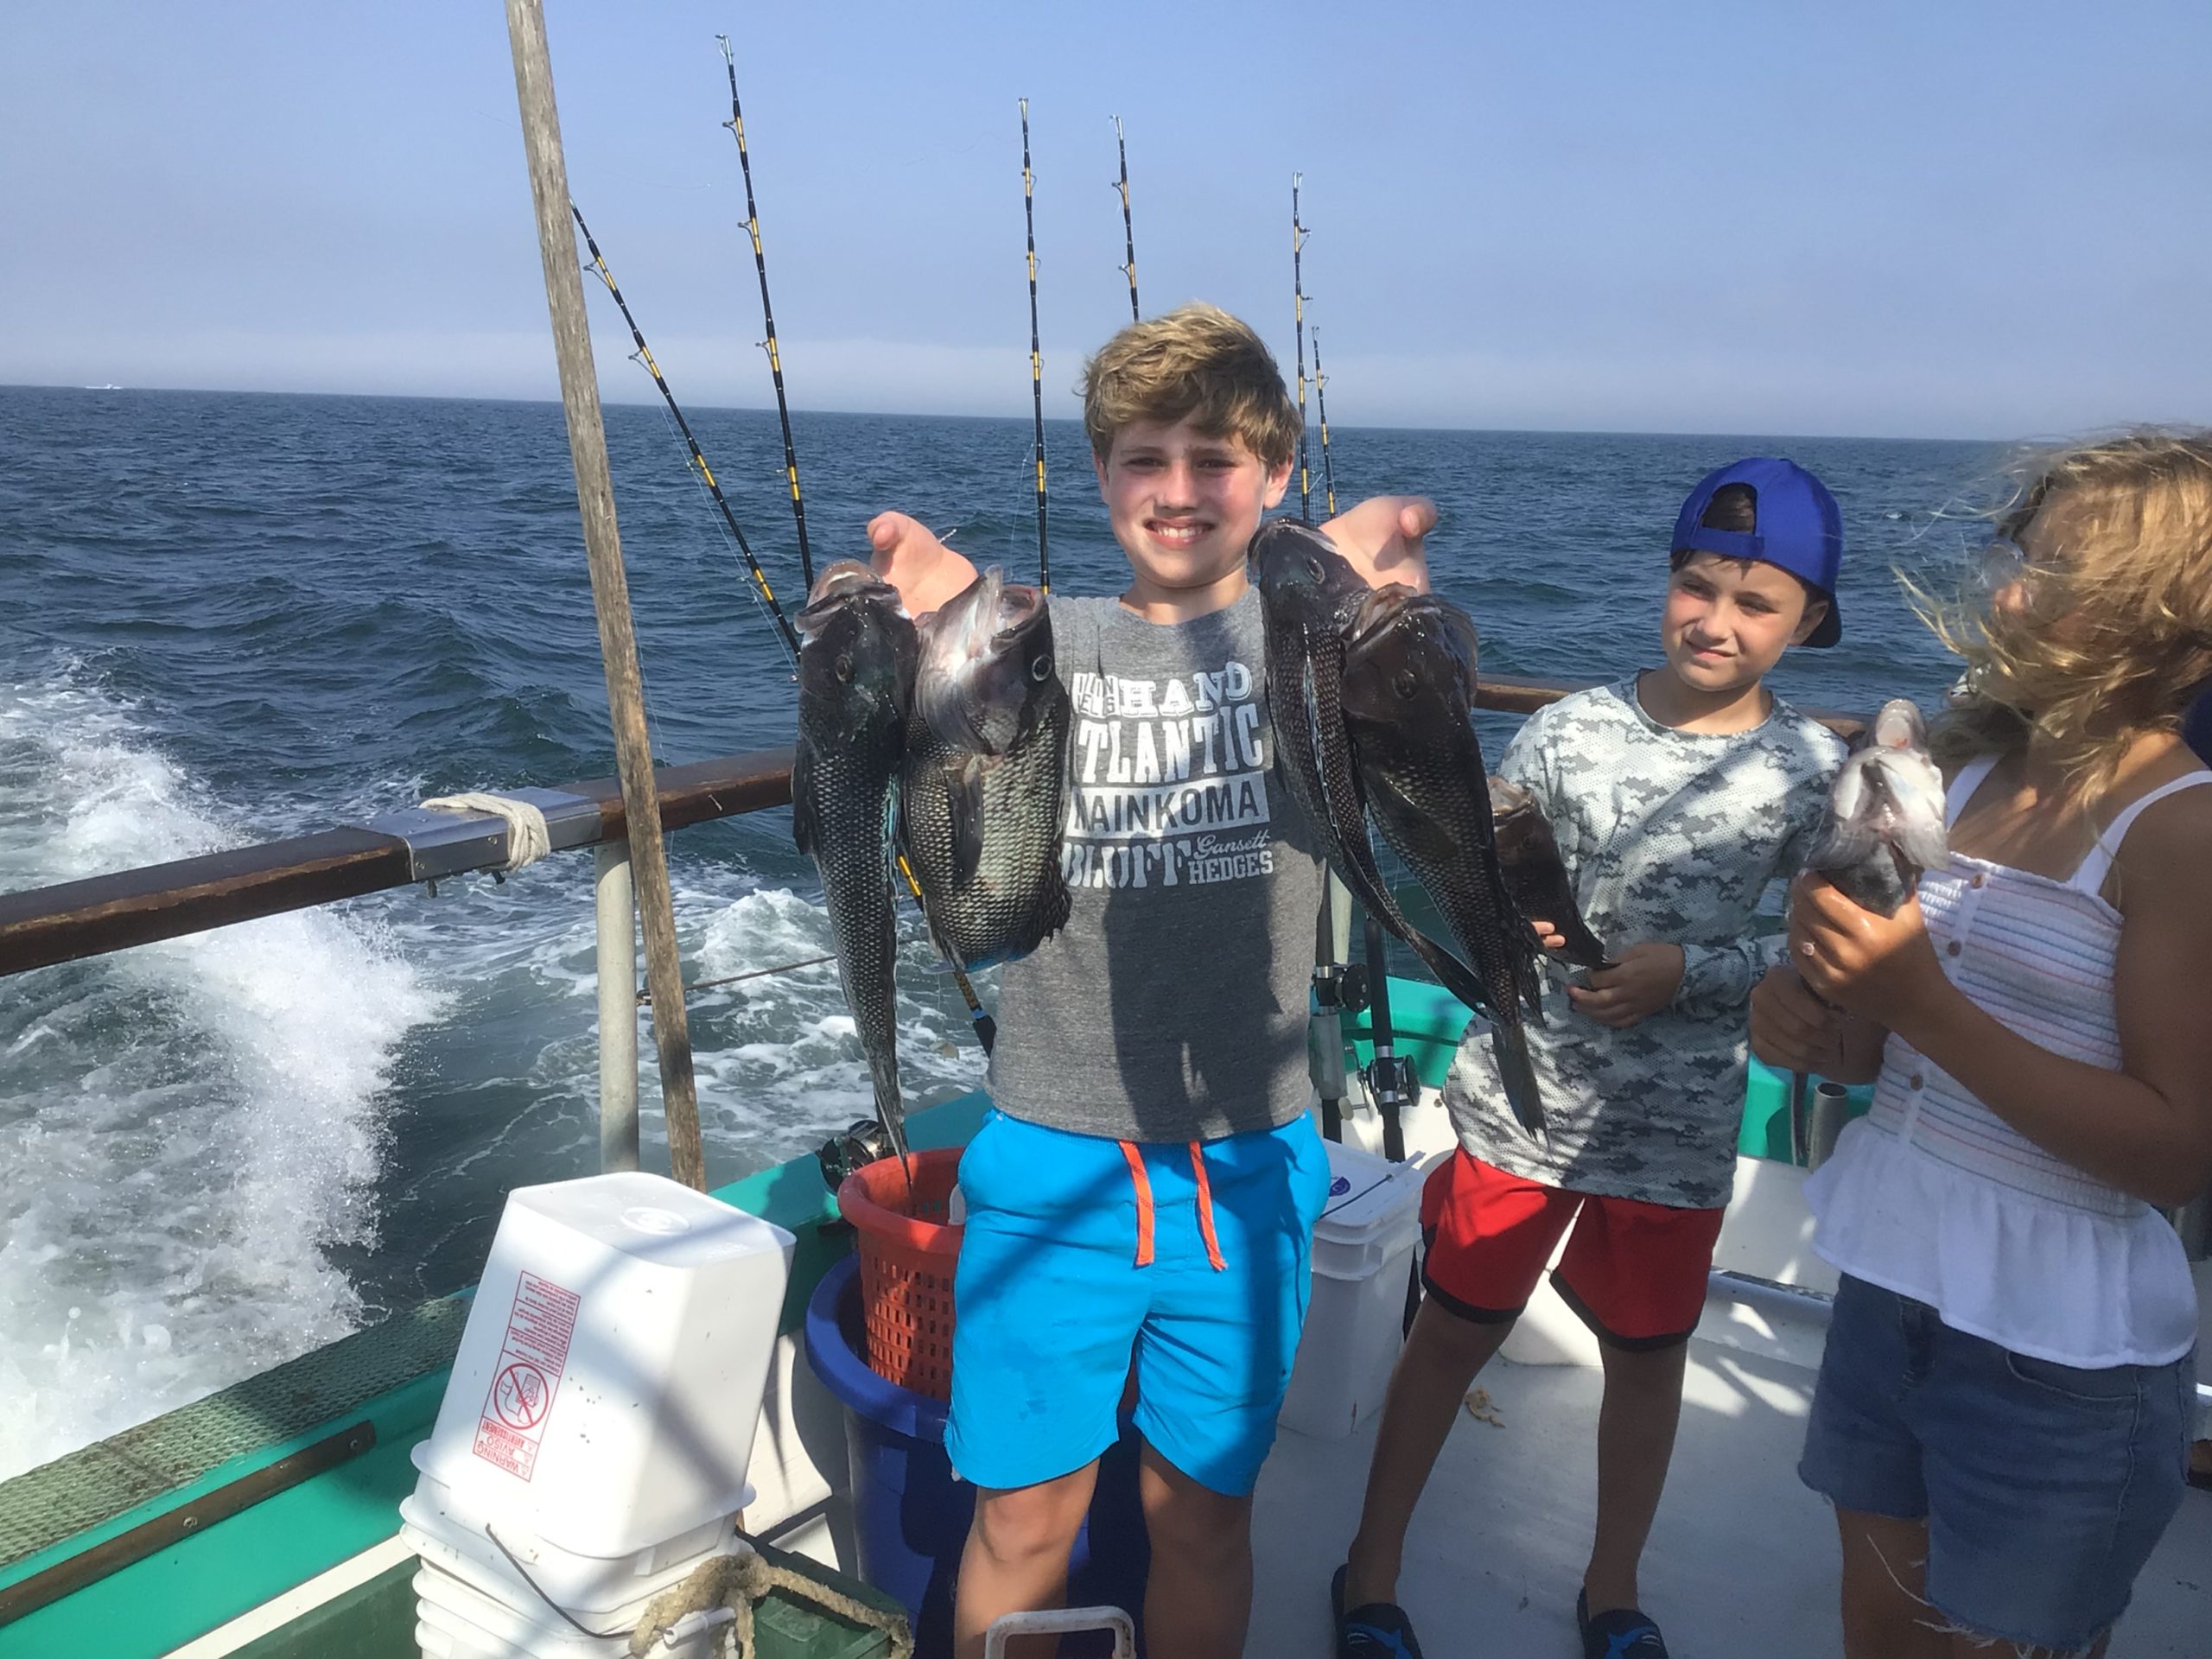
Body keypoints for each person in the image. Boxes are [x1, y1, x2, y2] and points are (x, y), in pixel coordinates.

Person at [864, 301, 1431, 1659]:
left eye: (1214, 461)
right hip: (1050, 1153)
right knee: (1020, 1524)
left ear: (1278, 475)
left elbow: (1392, 693)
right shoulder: (1041, 638)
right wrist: (932, 602)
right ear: (1099, 474)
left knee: (1203, 1518)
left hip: (1248, 1163)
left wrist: (1377, 599)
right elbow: (954, 628)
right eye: (1142, 459)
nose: (1177, 492)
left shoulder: (1307, 646)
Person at [1336, 459, 1851, 1659]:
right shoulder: (1567, 730)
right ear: (1668, 580)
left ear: (1809, 623)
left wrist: (1692, 972)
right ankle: (1371, 1563)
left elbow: (1817, 940)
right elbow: (1471, 862)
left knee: (1648, 1359)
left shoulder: (1812, 774)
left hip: (1677, 1132)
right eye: (1696, 584)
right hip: (1526, 1104)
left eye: (1757, 603)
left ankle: (1613, 1586)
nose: (1715, 620)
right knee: (1452, 1330)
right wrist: (1505, 920)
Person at [1752, 433, 2212, 1657]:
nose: (2008, 594)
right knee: (1881, 1627)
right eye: (2020, 558)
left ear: (2174, 626)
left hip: (2059, 1343)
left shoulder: (2183, 832)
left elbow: (2176, 1154)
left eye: (2060, 580)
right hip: (1891, 1276)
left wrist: (1921, 1005)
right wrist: (1808, 1011)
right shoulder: (1955, 773)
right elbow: (1872, 1055)